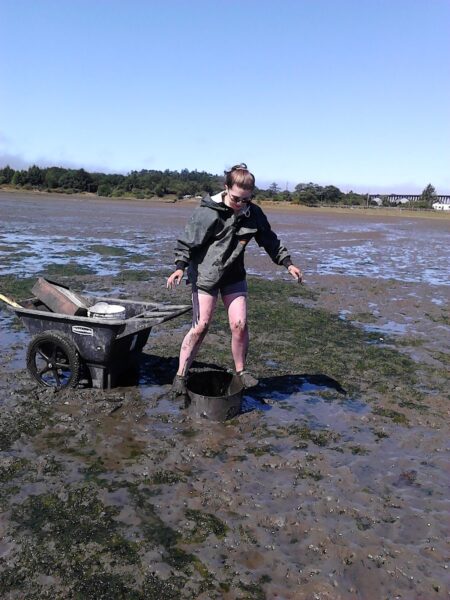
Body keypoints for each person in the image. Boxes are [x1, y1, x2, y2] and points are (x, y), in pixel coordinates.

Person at [166, 163, 303, 396]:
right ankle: (181, 374)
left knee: (239, 325)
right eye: (236, 199)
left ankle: (241, 371)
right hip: (206, 275)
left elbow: (270, 240)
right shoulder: (207, 212)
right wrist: (180, 267)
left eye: (246, 200)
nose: (240, 205)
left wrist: (287, 263)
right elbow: (187, 242)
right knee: (200, 327)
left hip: (233, 275)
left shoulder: (253, 214)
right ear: (226, 188)